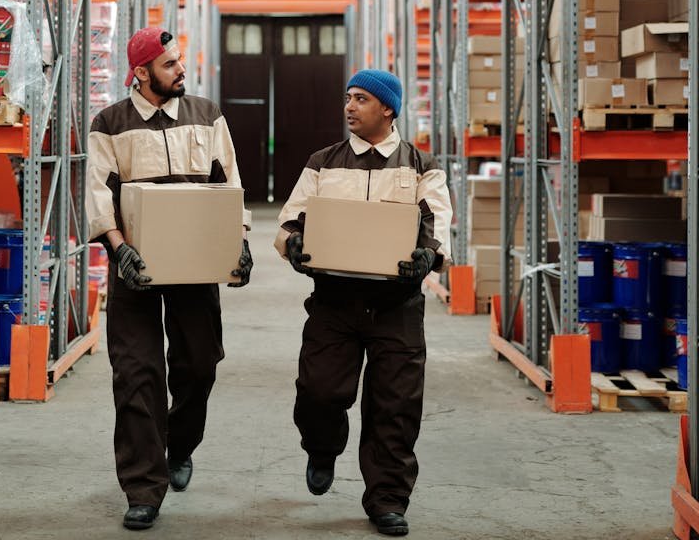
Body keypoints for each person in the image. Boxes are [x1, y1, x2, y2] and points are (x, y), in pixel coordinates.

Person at [86, 27, 253, 531]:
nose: (181, 70)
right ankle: (143, 488)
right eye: (169, 65)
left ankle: (180, 445)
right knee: (136, 376)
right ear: (141, 74)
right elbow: (99, 193)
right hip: (135, 266)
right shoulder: (110, 123)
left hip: (196, 264)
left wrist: (237, 242)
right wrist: (121, 251)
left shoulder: (207, 114)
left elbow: (230, 182)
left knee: (199, 365)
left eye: (179, 61)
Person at [274, 69, 452, 538]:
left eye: (361, 99)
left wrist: (427, 256)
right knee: (318, 392)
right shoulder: (323, 162)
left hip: (396, 305)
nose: (349, 107)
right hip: (334, 301)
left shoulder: (420, 164)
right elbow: (290, 221)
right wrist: (291, 244)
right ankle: (322, 446)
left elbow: (437, 224)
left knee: (395, 405)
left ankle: (388, 499)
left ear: (387, 108)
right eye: (347, 98)